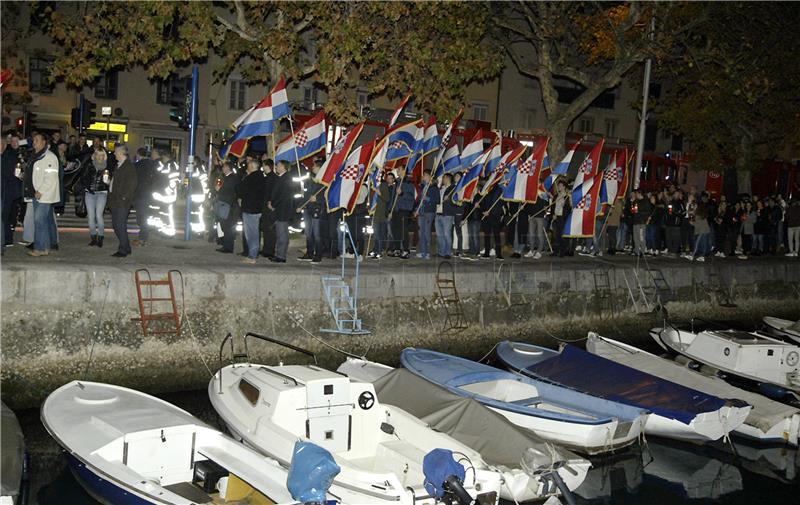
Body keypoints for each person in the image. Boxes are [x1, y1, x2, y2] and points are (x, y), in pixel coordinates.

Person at [26, 133, 61, 257]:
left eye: (37, 140)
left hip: (44, 195)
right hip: (37, 194)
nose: (34, 142)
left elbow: (51, 177)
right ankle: (45, 247)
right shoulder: (35, 156)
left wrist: (41, 190)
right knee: (43, 221)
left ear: (44, 142)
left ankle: (40, 248)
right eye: (33, 140)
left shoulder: (50, 157)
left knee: (39, 220)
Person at [107, 145, 138, 258]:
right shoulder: (119, 165)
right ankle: (126, 247)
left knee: (119, 226)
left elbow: (131, 185)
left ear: (121, 153)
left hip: (121, 202)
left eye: (116, 152)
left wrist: (123, 198)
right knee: (117, 225)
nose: (114, 154)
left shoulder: (128, 167)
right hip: (116, 200)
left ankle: (123, 249)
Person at [237, 159, 266, 264]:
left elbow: (244, 189)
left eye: (248, 166)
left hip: (251, 209)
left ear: (253, 167)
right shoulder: (258, 177)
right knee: (251, 233)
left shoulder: (254, 178)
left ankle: (252, 255)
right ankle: (252, 254)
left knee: (251, 233)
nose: (247, 167)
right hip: (252, 208)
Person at [82, 149, 110, 247]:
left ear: (104, 156)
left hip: (102, 193)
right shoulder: (89, 165)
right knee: (91, 216)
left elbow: (112, 182)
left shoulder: (108, 167)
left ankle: (100, 237)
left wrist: (108, 182)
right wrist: (87, 187)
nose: (100, 157)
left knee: (98, 215)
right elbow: (83, 178)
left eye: (102, 155)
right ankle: (93, 237)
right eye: (98, 155)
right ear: (95, 155)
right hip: (89, 193)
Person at [299, 159, 324, 262]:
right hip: (307, 208)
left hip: (317, 208)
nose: (312, 167)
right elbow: (306, 194)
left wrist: (317, 199)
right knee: (308, 233)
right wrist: (301, 205)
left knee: (317, 234)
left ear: (319, 168)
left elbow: (327, 197)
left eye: (314, 166)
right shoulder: (310, 180)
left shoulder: (324, 181)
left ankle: (318, 255)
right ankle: (309, 253)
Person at [269, 160, 293, 263]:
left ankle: (281, 256)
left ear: (283, 167)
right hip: (280, 209)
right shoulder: (282, 177)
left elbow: (283, 195)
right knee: (280, 233)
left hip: (282, 210)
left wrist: (273, 204)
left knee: (282, 234)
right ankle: (279, 254)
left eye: (278, 165)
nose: (276, 167)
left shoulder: (286, 178)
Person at [132, 147, 157, 246]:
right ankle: (143, 236)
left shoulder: (137, 166)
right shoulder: (152, 164)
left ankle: (143, 238)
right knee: (145, 216)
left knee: (141, 217)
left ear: (138, 154)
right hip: (150, 194)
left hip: (140, 194)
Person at [1, 134, 22, 251]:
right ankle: (7, 239)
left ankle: (6, 239)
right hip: (7, 190)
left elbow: (11, 175)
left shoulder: (12, 156)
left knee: (4, 215)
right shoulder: (8, 155)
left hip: (8, 190)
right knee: (4, 216)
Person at [388, 168, 415, 259]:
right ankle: (397, 248)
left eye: (399, 169)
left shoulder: (409, 183)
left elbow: (411, 197)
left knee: (403, 231)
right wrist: (390, 210)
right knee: (395, 230)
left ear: (404, 171)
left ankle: (406, 250)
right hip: (395, 210)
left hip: (403, 209)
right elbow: (393, 197)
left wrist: (402, 193)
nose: (397, 171)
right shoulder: (397, 182)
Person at [215, 161, 239, 254]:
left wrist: (219, 189)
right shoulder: (226, 178)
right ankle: (225, 244)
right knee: (224, 224)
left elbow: (228, 190)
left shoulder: (231, 178)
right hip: (225, 204)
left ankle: (228, 247)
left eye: (224, 167)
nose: (222, 169)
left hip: (229, 205)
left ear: (228, 168)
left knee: (228, 225)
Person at [415, 171, 438, 259]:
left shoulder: (433, 188)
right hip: (422, 212)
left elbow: (437, 200)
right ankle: (422, 251)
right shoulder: (423, 186)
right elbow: (420, 200)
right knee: (421, 232)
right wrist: (417, 210)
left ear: (429, 176)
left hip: (429, 212)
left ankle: (427, 252)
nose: (423, 176)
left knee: (426, 232)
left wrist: (427, 198)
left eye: (424, 175)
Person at [369, 173, 392, 258]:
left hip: (381, 214)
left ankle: (379, 252)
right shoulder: (373, 186)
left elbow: (387, 198)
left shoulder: (383, 185)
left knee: (379, 234)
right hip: (375, 213)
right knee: (375, 234)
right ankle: (375, 250)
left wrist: (380, 193)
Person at [481, 182, 505, 260]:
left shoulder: (499, 190)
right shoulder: (486, 188)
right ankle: (487, 252)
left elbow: (499, 203)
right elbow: (482, 201)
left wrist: (490, 212)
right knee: (487, 235)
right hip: (486, 215)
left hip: (495, 216)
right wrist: (484, 210)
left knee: (496, 235)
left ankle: (498, 254)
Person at [435, 173, 456, 259]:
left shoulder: (453, 189)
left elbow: (456, 200)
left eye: (443, 178)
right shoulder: (441, 188)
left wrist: (449, 199)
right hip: (438, 213)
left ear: (448, 179)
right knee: (440, 235)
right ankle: (441, 252)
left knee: (447, 234)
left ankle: (448, 252)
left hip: (447, 214)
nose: (442, 180)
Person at [260, 159, 277, 258]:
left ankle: (270, 250)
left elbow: (272, 192)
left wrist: (270, 202)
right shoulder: (268, 177)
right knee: (266, 228)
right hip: (265, 206)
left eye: (264, 165)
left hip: (269, 207)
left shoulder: (272, 178)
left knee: (270, 229)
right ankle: (266, 249)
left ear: (267, 166)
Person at [552, 180, 570, 257]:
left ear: (564, 187)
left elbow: (569, 208)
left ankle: (562, 251)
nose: (558, 187)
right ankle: (555, 251)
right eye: (558, 185)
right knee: (555, 235)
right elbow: (552, 207)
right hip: (555, 217)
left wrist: (565, 206)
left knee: (560, 235)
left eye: (560, 186)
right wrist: (552, 214)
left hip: (562, 218)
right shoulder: (556, 196)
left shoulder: (567, 197)